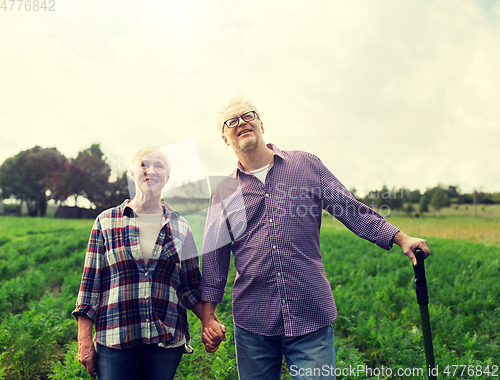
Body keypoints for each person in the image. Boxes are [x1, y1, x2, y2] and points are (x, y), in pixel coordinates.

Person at [200, 97, 431, 380]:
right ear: (225, 138)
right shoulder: (224, 192)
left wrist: (400, 237)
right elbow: (214, 258)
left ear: (261, 124)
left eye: (247, 116)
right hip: (254, 321)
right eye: (231, 122)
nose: (241, 123)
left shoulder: (305, 165)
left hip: (310, 313)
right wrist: (207, 316)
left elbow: (350, 210)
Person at [72, 145, 224, 380]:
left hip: (165, 340)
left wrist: (209, 322)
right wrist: (84, 340)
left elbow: (192, 286)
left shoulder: (181, 226)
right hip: (115, 337)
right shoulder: (106, 221)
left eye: (159, 165)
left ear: (167, 178)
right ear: (132, 173)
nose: (150, 170)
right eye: (144, 164)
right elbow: (90, 284)